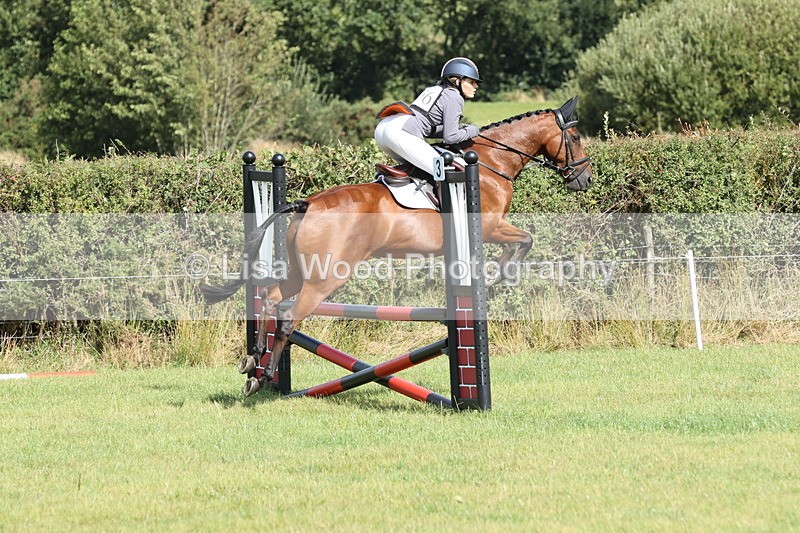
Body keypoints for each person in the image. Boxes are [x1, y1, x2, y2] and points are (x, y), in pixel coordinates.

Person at [374, 57, 482, 179]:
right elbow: (451, 138)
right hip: (402, 133)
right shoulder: (454, 97)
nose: (476, 86)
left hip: (384, 129)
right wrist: (474, 130)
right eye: (472, 82)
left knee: (419, 171)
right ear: (457, 81)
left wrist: (460, 128)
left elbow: (427, 127)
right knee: (445, 173)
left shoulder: (434, 90)